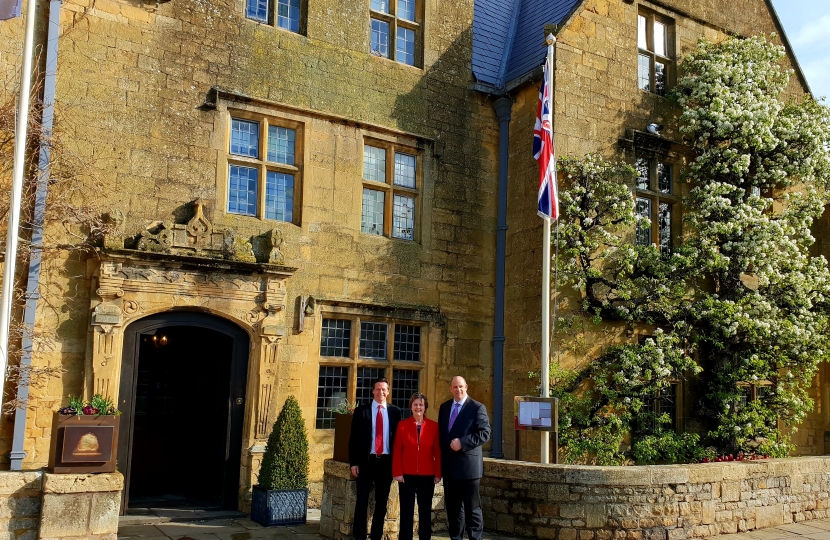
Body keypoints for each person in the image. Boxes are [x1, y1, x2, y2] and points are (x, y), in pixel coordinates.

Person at [438, 376, 491, 540]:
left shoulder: (477, 407)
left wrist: (463, 442)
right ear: (450, 389)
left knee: (472, 509)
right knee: (454, 510)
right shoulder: (444, 407)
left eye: (461, 386)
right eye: (455, 387)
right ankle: (456, 538)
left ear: (466, 387)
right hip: (450, 468)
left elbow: (485, 433)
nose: (458, 390)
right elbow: (442, 435)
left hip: (469, 469)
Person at [348, 377, 402, 540]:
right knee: (362, 502)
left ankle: (376, 536)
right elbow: (354, 439)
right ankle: (360, 537)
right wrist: (354, 463)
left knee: (381, 504)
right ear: (373, 391)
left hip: (386, 463)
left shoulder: (395, 412)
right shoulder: (361, 411)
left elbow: (398, 441)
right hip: (366, 462)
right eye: (378, 389)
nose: (381, 392)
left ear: (388, 391)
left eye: (384, 389)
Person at [392, 392, 441, 540]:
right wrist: (397, 472)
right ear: (411, 407)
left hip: (427, 475)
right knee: (406, 511)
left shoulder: (434, 426)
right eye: (415, 404)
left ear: (425, 407)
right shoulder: (402, 426)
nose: (418, 407)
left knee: (425, 511)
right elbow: (397, 451)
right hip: (407, 475)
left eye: (421, 404)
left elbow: (438, 452)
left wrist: (438, 473)